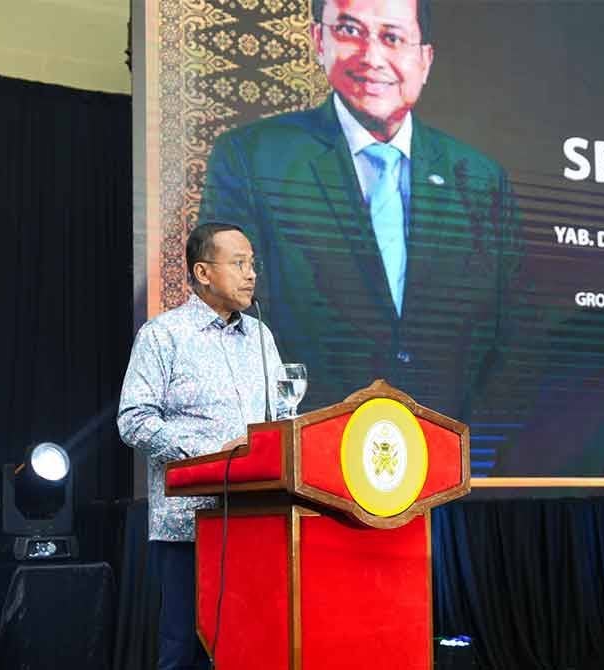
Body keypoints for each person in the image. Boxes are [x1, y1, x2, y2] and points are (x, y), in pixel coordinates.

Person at [198, 0, 522, 419]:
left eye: (392, 37)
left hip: (447, 455)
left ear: (425, 58)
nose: (372, 58)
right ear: (319, 39)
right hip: (310, 448)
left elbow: (513, 335)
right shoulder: (252, 158)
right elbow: (228, 310)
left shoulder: (481, 179)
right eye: (350, 31)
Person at [118, 223, 283, 670]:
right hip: (188, 526)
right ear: (203, 272)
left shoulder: (262, 338)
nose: (251, 275)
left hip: (254, 522)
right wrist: (212, 454)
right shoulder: (163, 335)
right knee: (184, 652)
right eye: (239, 264)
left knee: (247, 648)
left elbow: (276, 421)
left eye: (253, 264)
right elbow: (133, 420)